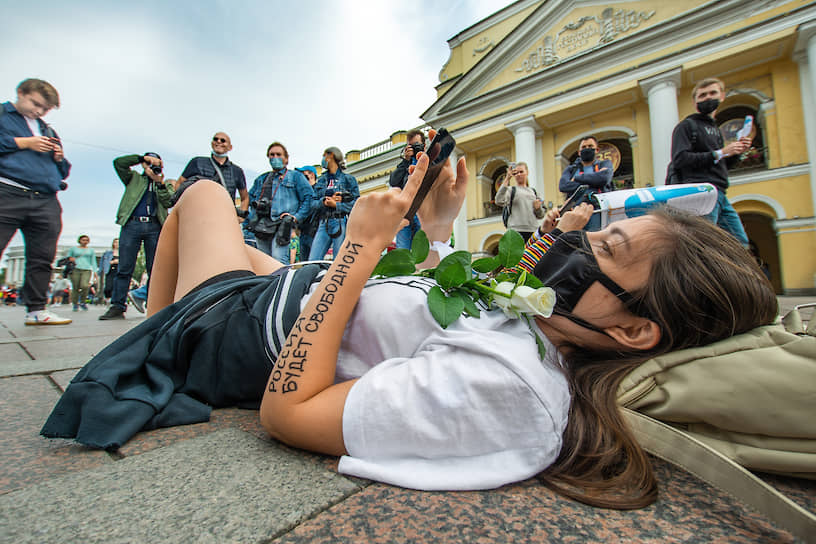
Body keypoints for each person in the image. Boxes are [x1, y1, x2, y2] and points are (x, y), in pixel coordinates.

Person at [43, 134, 776, 510]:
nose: (577, 238)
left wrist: (360, 247)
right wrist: (436, 226)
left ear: (635, 331)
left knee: (200, 197)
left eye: (604, 248)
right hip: (296, 290)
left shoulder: (513, 391)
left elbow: (288, 411)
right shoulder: (556, 327)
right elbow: (431, 315)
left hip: (252, 329)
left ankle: (164, 341)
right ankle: (160, 333)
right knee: (210, 217)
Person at [0, 78, 72, 325]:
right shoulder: (3, 115)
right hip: (7, 191)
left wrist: (59, 158)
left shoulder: (47, 129)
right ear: (21, 92)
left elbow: (63, 171)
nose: (39, 111)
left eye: (44, 109)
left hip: (45, 198)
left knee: (42, 256)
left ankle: (36, 310)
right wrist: (22, 142)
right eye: (36, 104)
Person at [669, 77, 751, 246]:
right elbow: (680, 159)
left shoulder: (716, 130)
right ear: (695, 102)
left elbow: (720, 164)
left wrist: (735, 153)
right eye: (702, 95)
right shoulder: (687, 126)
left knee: (740, 243)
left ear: (722, 96)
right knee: (704, 243)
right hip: (700, 191)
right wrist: (720, 153)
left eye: (712, 93)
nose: (707, 98)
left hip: (720, 192)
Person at [99, 153, 174, 320]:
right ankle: (117, 306)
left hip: (154, 226)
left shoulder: (164, 183)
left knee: (154, 268)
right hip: (132, 224)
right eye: (149, 162)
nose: (152, 166)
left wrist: (159, 182)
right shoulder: (133, 178)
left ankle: (155, 305)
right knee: (124, 267)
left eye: (156, 162)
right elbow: (118, 162)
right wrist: (141, 159)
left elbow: (169, 201)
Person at [244, 142, 313, 264]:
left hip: (282, 224)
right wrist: (249, 222)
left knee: (278, 260)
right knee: (263, 262)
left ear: (286, 159)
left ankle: (281, 283)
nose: (275, 157)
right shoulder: (262, 179)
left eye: (278, 154)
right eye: (271, 155)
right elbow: (248, 200)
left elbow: (309, 198)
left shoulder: (295, 176)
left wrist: (296, 217)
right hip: (262, 224)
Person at [174, 132, 248, 215]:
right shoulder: (197, 162)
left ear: (230, 147)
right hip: (197, 213)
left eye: (223, 140)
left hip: (224, 216)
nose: (219, 141)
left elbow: (245, 198)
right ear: (212, 143)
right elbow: (179, 184)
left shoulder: (237, 171)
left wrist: (240, 217)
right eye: (215, 139)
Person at [308, 147, 360, 260]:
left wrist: (337, 205)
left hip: (340, 221)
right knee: (313, 259)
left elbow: (357, 203)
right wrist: (324, 202)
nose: (323, 159)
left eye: (324, 155)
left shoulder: (348, 179)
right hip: (323, 222)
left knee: (339, 260)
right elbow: (312, 204)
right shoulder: (321, 180)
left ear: (330, 155)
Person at [558, 136, 614, 231]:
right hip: (575, 214)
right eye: (584, 147)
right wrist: (594, 181)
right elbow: (563, 186)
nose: (587, 149)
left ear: (597, 150)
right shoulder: (571, 169)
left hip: (599, 211)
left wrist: (577, 178)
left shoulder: (605, 164)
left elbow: (603, 178)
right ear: (579, 152)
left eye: (590, 146)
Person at [389, 129, 425, 249]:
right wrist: (405, 161)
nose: (413, 148)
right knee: (402, 251)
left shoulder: (430, 160)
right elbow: (393, 182)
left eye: (416, 145)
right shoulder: (405, 165)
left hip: (422, 211)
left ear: (424, 146)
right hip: (405, 213)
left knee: (422, 251)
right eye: (410, 146)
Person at [495, 161, 545, 242]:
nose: (518, 174)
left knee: (531, 254)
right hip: (515, 230)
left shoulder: (534, 192)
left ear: (527, 172)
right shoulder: (511, 190)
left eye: (521, 172)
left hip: (532, 229)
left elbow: (541, 215)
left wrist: (538, 208)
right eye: (516, 173)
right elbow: (498, 200)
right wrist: (507, 178)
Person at [295, 165, 319, 261]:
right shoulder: (301, 192)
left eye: (303, 174)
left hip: (315, 232)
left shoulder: (318, 190)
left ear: (311, 175)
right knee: (304, 262)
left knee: (314, 262)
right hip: (303, 232)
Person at [66, 234, 96, 311]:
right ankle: (75, 303)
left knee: (85, 285)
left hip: (87, 269)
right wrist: (70, 259)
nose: (85, 242)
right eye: (83, 240)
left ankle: (83, 302)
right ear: (79, 241)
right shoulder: (73, 249)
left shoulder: (91, 250)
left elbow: (93, 261)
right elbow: (68, 258)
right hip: (75, 269)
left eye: (86, 240)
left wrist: (95, 271)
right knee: (75, 287)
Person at [98, 238, 119, 304]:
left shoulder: (124, 253)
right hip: (109, 271)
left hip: (119, 270)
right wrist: (100, 271)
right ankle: (108, 298)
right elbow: (102, 262)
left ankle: (115, 300)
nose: (117, 244)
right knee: (108, 286)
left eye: (118, 242)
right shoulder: (108, 253)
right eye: (115, 242)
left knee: (117, 286)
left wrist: (117, 261)